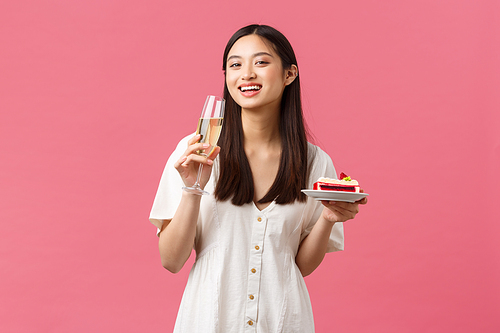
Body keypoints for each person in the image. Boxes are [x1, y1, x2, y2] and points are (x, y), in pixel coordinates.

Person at [149, 24, 367, 333]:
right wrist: (192, 188)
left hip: (284, 321)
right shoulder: (196, 152)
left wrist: (329, 217)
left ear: (290, 74)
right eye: (235, 65)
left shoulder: (315, 161)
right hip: (209, 321)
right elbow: (171, 261)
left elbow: (299, 266)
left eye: (261, 62)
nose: (246, 74)